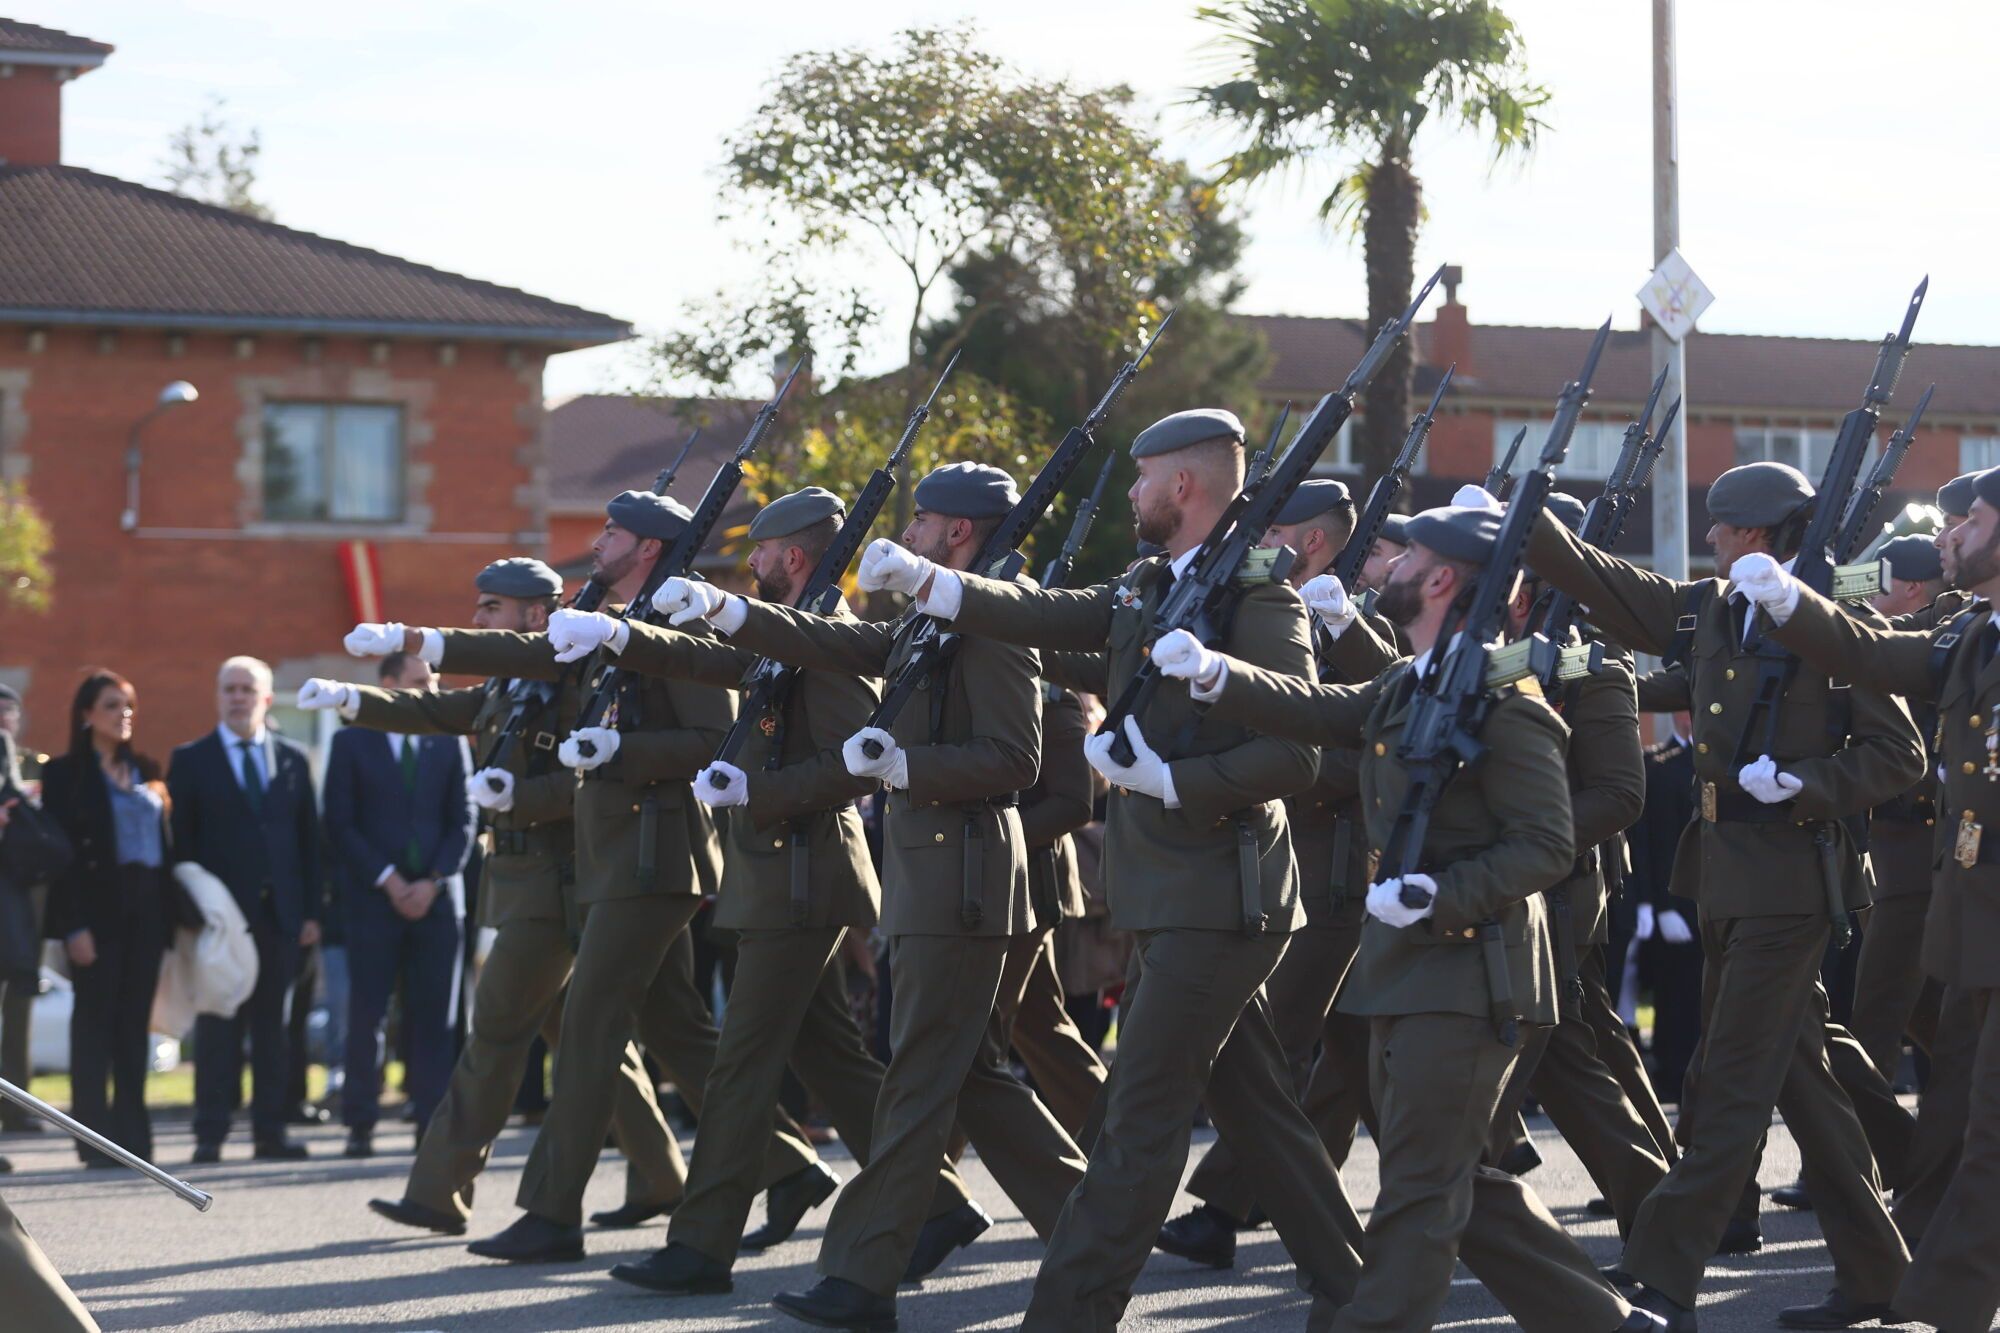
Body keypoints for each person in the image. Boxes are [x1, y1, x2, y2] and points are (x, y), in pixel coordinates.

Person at [837, 417, 1366, 1329]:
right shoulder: (1155, 585)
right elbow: (1053, 617)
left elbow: (1299, 751)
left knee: (1137, 1119)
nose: (1132, 494)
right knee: (1258, 1110)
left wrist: (1173, 777)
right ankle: (1364, 1290)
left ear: (1187, 488)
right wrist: (935, 583)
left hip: (1223, 898)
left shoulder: (1261, 598)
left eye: (1146, 476)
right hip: (1173, 897)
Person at [1150, 502, 1648, 1333]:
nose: (1390, 567)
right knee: (1457, 1180)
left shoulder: (1509, 704)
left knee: (1419, 1190)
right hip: (1408, 972)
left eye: (1408, 554)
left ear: (1442, 578)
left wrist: (1439, 895)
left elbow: (1547, 844)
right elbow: (1324, 710)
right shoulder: (1410, 683)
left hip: (1469, 973)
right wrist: (1216, 672)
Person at [653, 462, 1090, 1330]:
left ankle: (862, 1276)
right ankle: (1099, 1227)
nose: (911, 535)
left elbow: (1016, 757)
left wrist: (905, 766)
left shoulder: (999, 619)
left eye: (923, 522)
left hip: (964, 874)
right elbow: (854, 647)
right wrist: (732, 613)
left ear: (958, 531)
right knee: (963, 1075)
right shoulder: (937, 614)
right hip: (933, 873)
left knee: (919, 1075)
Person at [344, 493, 820, 1263]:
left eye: (612, 532)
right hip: (614, 859)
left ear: (647, 549)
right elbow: (525, 662)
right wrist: (417, 640)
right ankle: (789, 1166)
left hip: (655, 856)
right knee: (676, 1030)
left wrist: (614, 753)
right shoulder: (602, 620)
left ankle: (553, 1211)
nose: (596, 542)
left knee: (592, 1025)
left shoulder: (681, 624)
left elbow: (711, 736)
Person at [540, 487, 987, 1297]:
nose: (748, 565)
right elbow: (712, 661)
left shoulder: (831, 639)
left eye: (760, 553)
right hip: (779, 874)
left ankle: (701, 1245)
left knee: (743, 1061)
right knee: (833, 1058)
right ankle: (942, 1202)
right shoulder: (783, 632)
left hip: (805, 870)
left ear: (794, 556)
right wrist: (619, 632)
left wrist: (758, 793)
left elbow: (858, 757)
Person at [1506, 462, 1919, 1331]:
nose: (1713, 541)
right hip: (1724, 878)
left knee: (1726, 1082)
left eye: (1724, 529)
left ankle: (1663, 1277)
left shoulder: (1836, 625)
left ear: (1759, 535)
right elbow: (1602, 578)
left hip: (1794, 884)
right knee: (1802, 1078)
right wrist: (1525, 514)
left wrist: (1804, 783)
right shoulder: (1714, 609)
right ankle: (1878, 1271)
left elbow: (1898, 756)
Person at [300, 556, 684, 1236]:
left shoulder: (575, 674)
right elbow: (441, 708)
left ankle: (439, 1189)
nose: (476, 618)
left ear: (536, 615)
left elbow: (597, 775)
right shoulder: (513, 680)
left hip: (557, 884)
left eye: (490, 608)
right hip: (528, 884)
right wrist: (350, 700)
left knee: (495, 1032)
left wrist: (522, 798)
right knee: (592, 1043)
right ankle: (663, 1175)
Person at [1731, 465, 2000, 1333]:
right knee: (1952, 1119)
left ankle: (1944, 1306)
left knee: (1986, 1133)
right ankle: (1900, 1282)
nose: (1951, 533)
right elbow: (1877, 653)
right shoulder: (1977, 633)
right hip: (1974, 922)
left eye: (1973, 522)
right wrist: (1789, 602)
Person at [1158, 477, 1392, 1268]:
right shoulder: (1257, 611)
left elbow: (1357, 758)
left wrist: (1259, 765)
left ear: (1312, 542)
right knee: (1344, 1058)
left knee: (1273, 1040)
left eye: (1272, 529)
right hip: (1293, 861)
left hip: (1335, 868)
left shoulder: (1360, 629)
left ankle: (1224, 1208)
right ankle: (1442, 1194)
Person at [170, 656, 324, 1163]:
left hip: (280, 919)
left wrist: (310, 913)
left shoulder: (293, 759)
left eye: (246, 690)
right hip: (220, 924)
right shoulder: (191, 760)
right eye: (229, 689)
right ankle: (210, 1134)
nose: (237, 697)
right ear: (218, 696)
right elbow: (182, 847)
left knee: (273, 1032)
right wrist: (192, 917)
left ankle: (270, 1134)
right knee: (218, 1030)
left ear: (265, 699)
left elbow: (309, 843)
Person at [320, 651, 474, 1156]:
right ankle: (360, 1122)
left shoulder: (448, 740)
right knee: (366, 1014)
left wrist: (431, 880)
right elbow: (339, 822)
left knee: (436, 1017)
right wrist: (388, 880)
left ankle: (431, 1122)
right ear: (387, 685)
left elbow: (465, 819)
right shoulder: (350, 742)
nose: (429, 691)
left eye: (433, 682)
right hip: (372, 901)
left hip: (437, 899)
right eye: (418, 682)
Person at [40, 671, 173, 1167]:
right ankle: (94, 1141)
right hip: (96, 920)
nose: (123, 715)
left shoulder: (146, 767)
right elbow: (63, 862)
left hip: (148, 915)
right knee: (94, 1028)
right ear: (87, 714)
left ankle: (135, 1141)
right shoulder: (65, 775)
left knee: (133, 1027)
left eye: (129, 706)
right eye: (113, 705)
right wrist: (73, 926)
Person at [1848, 535, 1948, 1083]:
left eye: (1873, 582)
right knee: (1923, 1013)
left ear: (1910, 589)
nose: (1860, 592)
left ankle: (1859, 1164)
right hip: (1888, 851)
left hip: (1913, 849)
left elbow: (1866, 643)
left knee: (1877, 1019)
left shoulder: (1931, 641)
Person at [0, 684, 45, 1138]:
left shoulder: (30, 762)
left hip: (20, 900)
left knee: (19, 1013)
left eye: (9, 712)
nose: (4, 721)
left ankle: (18, 1105)